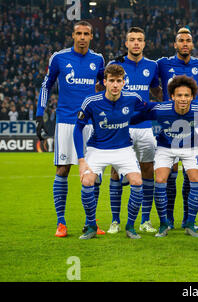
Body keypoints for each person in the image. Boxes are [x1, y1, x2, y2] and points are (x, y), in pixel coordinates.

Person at [36, 21, 105, 237]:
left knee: (93, 174)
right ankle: (61, 223)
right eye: (79, 33)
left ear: (92, 36)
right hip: (66, 121)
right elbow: (46, 85)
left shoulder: (98, 60)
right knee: (63, 169)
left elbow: (104, 86)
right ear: (73, 35)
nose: (82, 37)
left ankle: (91, 223)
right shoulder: (59, 58)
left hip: (91, 123)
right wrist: (40, 114)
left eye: (86, 34)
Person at [130, 75, 198, 238]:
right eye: (179, 95)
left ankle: (190, 223)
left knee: (196, 179)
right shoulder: (160, 110)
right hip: (165, 148)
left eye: (187, 95)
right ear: (172, 96)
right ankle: (164, 224)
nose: (183, 99)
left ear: (192, 97)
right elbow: (135, 118)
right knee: (160, 180)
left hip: (191, 147)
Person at [73, 64, 148, 240]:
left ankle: (130, 226)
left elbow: (148, 110)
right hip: (97, 148)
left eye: (119, 81)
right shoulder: (91, 102)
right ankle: (91, 225)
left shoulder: (133, 98)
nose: (115, 85)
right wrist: (81, 159)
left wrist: (133, 119)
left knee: (137, 182)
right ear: (105, 82)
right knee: (87, 180)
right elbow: (78, 129)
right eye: (112, 81)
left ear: (124, 83)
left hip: (124, 148)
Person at [106, 26, 162, 235]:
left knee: (148, 170)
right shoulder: (116, 65)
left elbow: (156, 90)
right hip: (122, 127)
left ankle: (145, 220)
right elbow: (103, 89)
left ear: (144, 43)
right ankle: (115, 221)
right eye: (132, 39)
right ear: (126, 43)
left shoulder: (152, 66)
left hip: (146, 127)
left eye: (139, 39)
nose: (136, 43)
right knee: (115, 171)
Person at [157, 27, 198, 230]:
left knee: (191, 175)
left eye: (188, 40)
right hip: (168, 125)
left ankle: (189, 219)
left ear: (192, 44)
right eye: (181, 40)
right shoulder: (162, 63)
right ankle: (167, 219)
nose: (185, 43)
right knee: (170, 175)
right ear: (175, 44)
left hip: (191, 124)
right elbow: (154, 85)